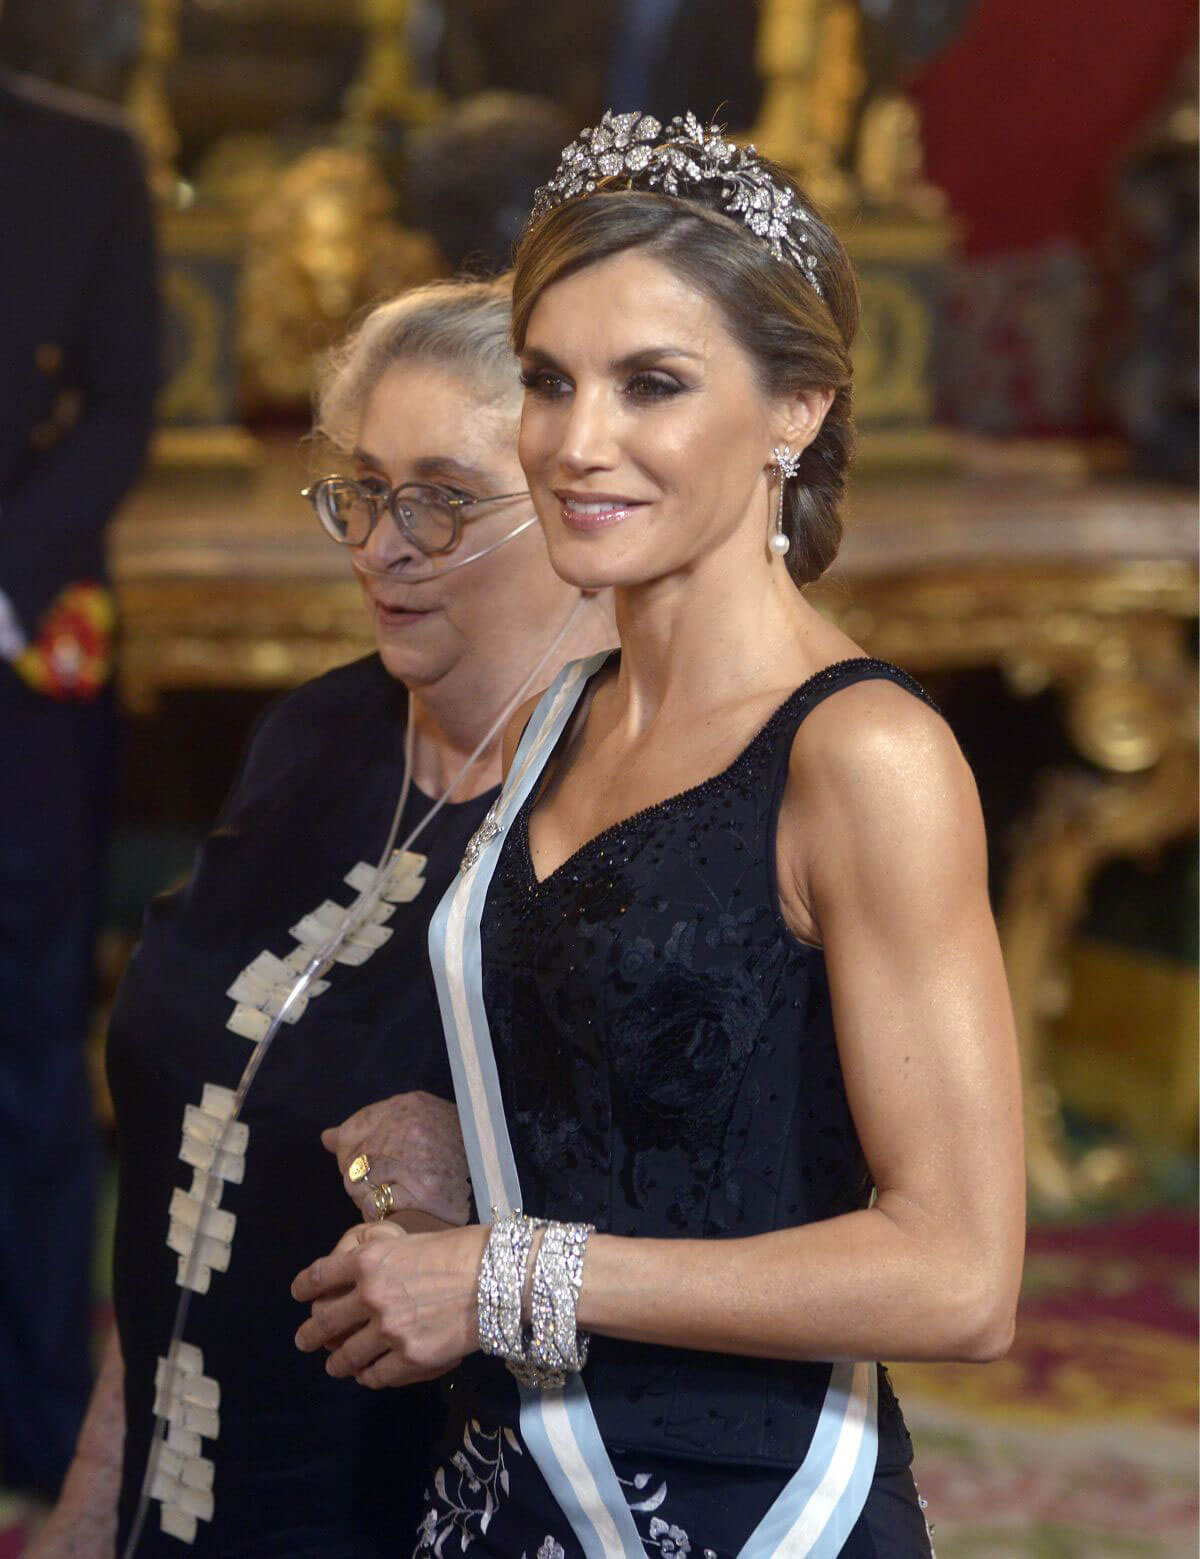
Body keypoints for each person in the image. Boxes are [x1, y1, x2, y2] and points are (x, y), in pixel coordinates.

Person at [293, 112, 1026, 1557]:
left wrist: (507, 1273)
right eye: (552, 382)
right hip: (498, 1495)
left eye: (654, 385)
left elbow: (959, 1275)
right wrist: (470, 1155)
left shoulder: (864, 753)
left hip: (764, 1513)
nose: (579, 441)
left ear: (797, 408)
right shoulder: (563, 709)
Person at [31, 277, 612, 1558]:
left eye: (443, 500)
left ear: (580, 508)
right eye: (362, 487)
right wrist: (90, 1497)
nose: (380, 544)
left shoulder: (627, 812)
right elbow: (194, 1134)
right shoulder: (316, 734)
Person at [0, 55, 159, 1508]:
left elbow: (124, 400)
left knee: (28, 1046)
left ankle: (41, 1417)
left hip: (15, 661)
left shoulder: (83, 159)